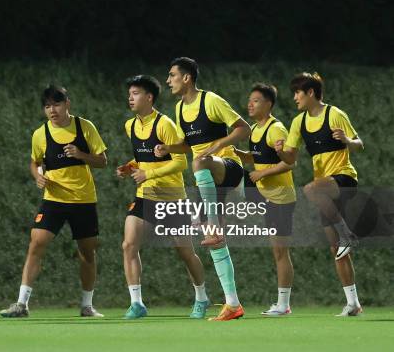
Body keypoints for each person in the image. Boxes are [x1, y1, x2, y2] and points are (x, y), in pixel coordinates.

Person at [155, 57, 250, 321]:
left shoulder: (211, 101)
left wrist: (218, 146)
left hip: (228, 167)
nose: (168, 80)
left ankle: (211, 221)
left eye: (172, 75)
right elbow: (188, 145)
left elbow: (244, 128)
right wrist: (168, 148)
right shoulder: (178, 109)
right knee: (214, 242)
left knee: (199, 161)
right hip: (206, 176)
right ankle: (233, 304)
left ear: (186, 78)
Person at [0, 86, 107, 318]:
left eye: (56, 104)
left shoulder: (85, 127)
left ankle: (87, 306)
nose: (52, 110)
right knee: (37, 242)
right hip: (54, 199)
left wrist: (81, 155)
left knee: (87, 252)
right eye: (47, 106)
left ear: (67, 103)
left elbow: (102, 161)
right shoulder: (40, 134)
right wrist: (38, 175)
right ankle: (21, 304)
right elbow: (35, 162)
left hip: (83, 199)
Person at [117, 75, 210, 319]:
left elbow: (180, 162)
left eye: (135, 93)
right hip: (144, 196)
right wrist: (131, 166)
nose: (130, 97)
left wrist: (149, 173)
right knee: (129, 244)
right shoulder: (130, 126)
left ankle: (202, 297)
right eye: (130, 93)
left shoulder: (164, 124)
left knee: (185, 251)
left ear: (149, 97)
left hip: (172, 198)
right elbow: (144, 158)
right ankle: (136, 303)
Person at [275, 72, 364, 316]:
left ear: (311, 93)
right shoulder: (298, 122)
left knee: (310, 188)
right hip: (324, 192)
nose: (294, 97)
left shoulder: (335, 114)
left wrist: (347, 139)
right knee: (335, 248)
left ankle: (348, 234)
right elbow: (290, 159)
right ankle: (353, 303)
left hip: (344, 179)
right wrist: (281, 152)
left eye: (297, 93)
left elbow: (359, 144)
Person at [233, 83, 296, 316]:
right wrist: (240, 155)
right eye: (250, 100)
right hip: (265, 196)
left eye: (256, 100)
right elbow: (257, 157)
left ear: (268, 104)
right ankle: (282, 303)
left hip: (280, 197)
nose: (250, 104)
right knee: (276, 250)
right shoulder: (254, 129)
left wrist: (261, 174)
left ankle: (283, 305)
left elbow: (291, 162)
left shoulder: (277, 128)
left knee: (281, 251)